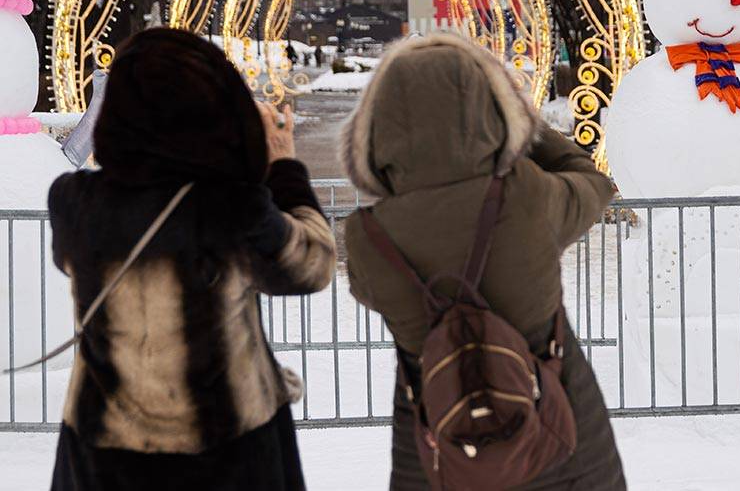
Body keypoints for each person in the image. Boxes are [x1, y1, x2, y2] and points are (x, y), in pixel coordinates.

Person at [48, 28, 336, 491]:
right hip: (228, 450)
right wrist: (283, 167)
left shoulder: (74, 203)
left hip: (102, 454)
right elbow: (312, 265)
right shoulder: (230, 207)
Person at [341, 33, 626, 489]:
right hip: (561, 440)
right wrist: (523, 131)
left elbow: (370, 290)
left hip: (438, 452)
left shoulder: (368, 236)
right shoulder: (526, 197)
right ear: (490, 109)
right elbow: (593, 183)